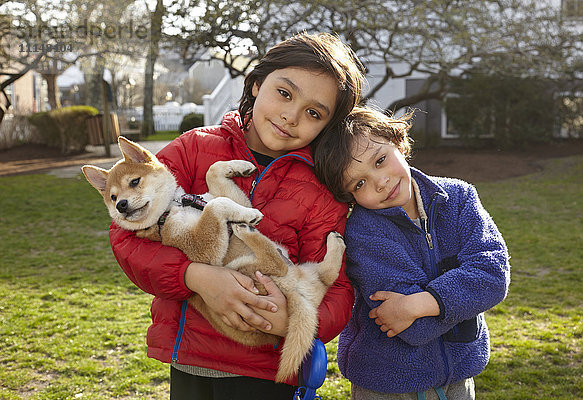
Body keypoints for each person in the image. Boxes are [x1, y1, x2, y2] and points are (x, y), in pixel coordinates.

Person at [109, 32, 365, 399]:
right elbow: (125, 238)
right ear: (257, 83)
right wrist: (195, 276)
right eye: (284, 93)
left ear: (327, 125)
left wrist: (290, 321)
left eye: (313, 113)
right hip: (190, 360)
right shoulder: (195, 147)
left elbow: (337, 287)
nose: (290, 116)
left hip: (267, 372)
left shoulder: (323, 188)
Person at [313, 107, 511, 400]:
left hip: (459, 376)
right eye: (359, 183)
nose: (379, 182)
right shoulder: (363, 233)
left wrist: (420, 303)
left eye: (380, 161)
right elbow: (410, 328)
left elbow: (493, 275)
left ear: (398, 142)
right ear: (349, 195)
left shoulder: (458, 198)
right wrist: (465, 297)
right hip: (386, 383)